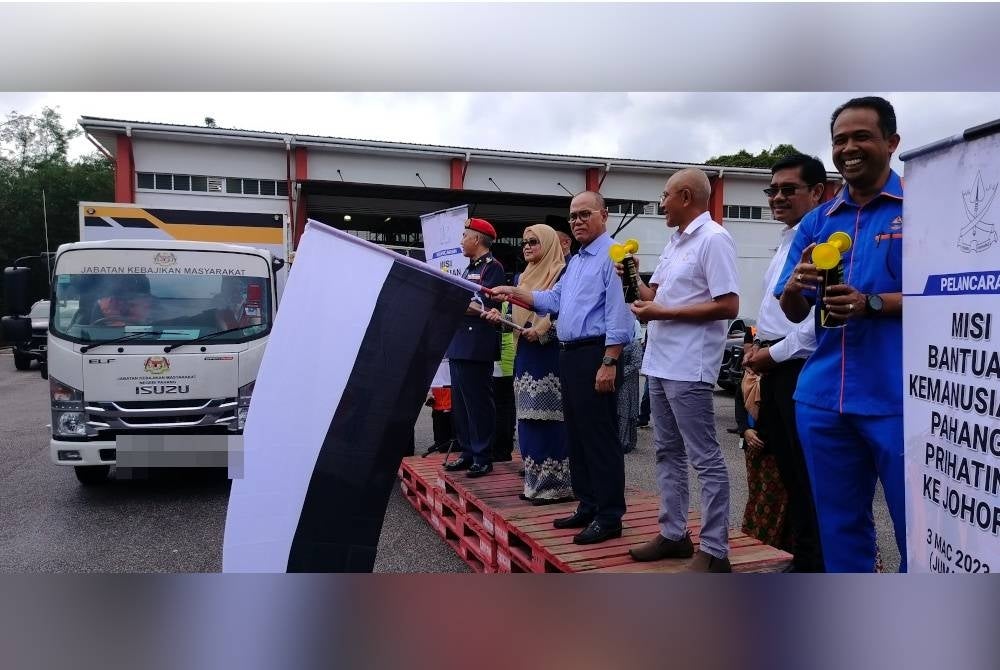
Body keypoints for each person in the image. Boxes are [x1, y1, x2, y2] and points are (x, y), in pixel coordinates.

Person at [776, 96, 906, 572]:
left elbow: (946, 298)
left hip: (897, 398)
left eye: (861, 137)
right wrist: (793, 287)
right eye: (840, 140)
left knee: (916, 525)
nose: (848, 148)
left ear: (891, 143)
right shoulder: (817, 221)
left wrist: (871, 303)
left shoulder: (920, 209)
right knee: (838, 526)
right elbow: (792, 312)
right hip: (822, 398)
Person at [492, 191, 635, 545]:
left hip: (595, 353)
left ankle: (609, 514)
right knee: (577, 435)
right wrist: (514, 291)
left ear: (604, 215)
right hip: (569, 354)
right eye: (572, 216)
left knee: (599, 437)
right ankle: (587, 504)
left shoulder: (614, 255)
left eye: (585, 214)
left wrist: (609, 361)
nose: (577, 221)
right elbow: (554, 300)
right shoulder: (578, 261)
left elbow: (619, 314)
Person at [626, 168, 739, 572]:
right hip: (659, 361)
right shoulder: (675, 243)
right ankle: (673, 534)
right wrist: (632, 275)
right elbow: (652, 296)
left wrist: (663, 311)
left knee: (704, 457)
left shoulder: (714, 240)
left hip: (690, 366)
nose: (661, 203)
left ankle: (714, 552)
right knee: (666, 452)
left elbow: (729, 305)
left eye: (666, 195)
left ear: (686, 196)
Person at [740, 153, 828, 573]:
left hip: (798, 367)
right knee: (787, 475)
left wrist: (770, 356)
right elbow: (772, 310)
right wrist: (754, 343)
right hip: (773, 364)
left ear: (817, 192)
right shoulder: (786, 240)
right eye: (772, 190)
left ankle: (816, 564)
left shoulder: (823, 242)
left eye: (788, 189)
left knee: (809, 477)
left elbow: (817, 324)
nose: (777, 197)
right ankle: (802, 556)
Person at [489, 224, 572, 504]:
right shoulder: (521, 277)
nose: (527, 247)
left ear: (548, 244)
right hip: (524, 351)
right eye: (524, 242)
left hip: (549, 354)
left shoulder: (562, 272)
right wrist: (497, 317)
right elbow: (515, 318)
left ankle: (557, 486)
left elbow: (565, 314)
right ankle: (534, 483)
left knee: (549, 418)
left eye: (534, 242)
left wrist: (543, 331)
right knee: (527, 419)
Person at [443, 218, 505, 478]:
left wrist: (453, 298)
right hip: (460, 342)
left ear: (477, 239)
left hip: (477, 343)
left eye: (464, 235)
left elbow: (487, 306)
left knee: (478, 401)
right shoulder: (470, 269)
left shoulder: (493, 268)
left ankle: (482, 455)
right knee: (461, 402)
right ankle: (467, 451)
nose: (461, 241)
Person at [492, 302, 516, 462]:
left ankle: (501, 450)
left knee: (501, 405)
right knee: (505, 404)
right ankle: (503, 449)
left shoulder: (503, 301)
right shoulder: (508, 298)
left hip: (503, 357)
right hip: (505, 356)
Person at [617, 319, 644, 453]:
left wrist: (618, 373)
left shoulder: (634, 344)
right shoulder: (617, 343)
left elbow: (636, 364)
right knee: (619, 411)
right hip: (618, 382)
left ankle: (625, 442)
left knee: (626, 412)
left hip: (629, 383)